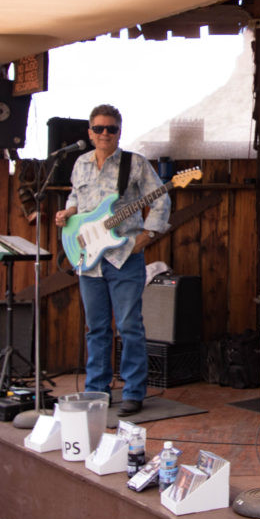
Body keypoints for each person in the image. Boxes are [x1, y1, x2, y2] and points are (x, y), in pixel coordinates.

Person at [54, 104, 170, 417]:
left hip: (124, 256)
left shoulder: (134, 164)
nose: (105, 134)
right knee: (97, 328)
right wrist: (67, 213)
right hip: (88, 258)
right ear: (89, 133)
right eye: (99, 128)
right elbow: (76, 200)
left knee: (130, 326)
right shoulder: (80, 164)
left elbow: (161, 199)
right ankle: (97, 389)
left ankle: (133, 391)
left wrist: (147, 236)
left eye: (112, 129)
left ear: (120, 131)